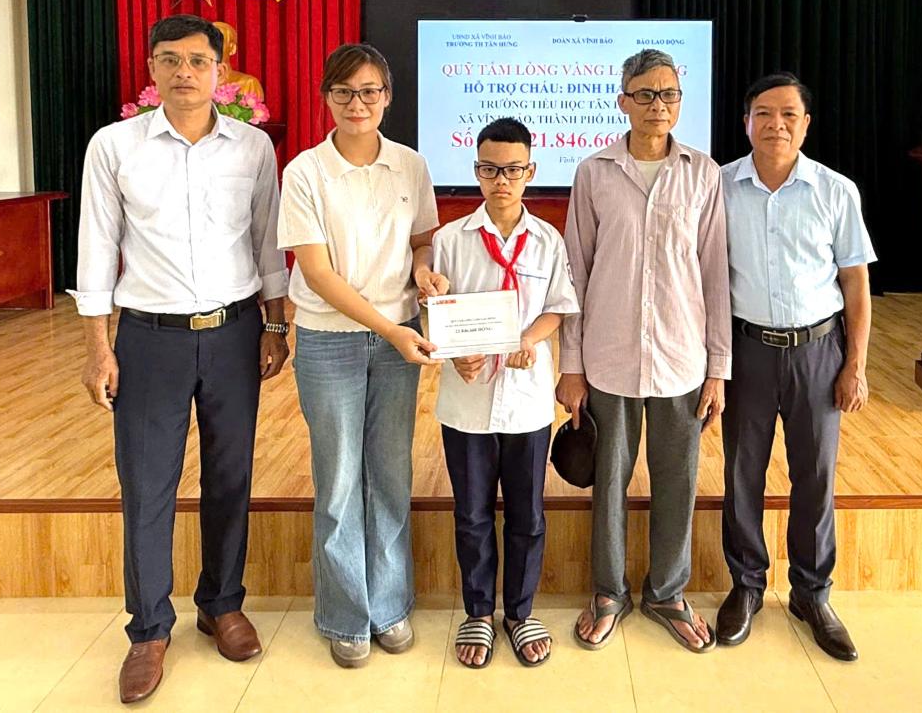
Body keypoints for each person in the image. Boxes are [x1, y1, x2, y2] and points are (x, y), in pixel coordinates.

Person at [73, 14, 290, 704]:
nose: (185, 72)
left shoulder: (253, 148)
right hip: (149, 337)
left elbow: (266, 241)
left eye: (198, 60)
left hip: (233, 331)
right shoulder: (113, 146)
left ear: (220, 70)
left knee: (231, 474)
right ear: (151, 68)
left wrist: (275, 324)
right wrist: (98, 347)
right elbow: (96, 248)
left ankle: (222, 601)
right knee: (147, 483)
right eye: (170, 60)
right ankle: (148, 629)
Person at [558, 49, 731, 654]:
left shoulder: (703, 173)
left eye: (670, 94)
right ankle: (609, 592)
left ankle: (667, 592)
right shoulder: (593, 173)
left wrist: (717, 370)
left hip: (682, 359)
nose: (659, 105)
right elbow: (574, 272)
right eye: (647, 94)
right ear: (623, 101)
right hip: (607, 357)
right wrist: (571, 366)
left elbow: (715, 276)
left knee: (677, 481)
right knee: (608, 480)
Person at [278, 43, 441, 668]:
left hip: (397, 336)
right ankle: (346, 614)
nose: (358, 103)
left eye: (370, 92)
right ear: (327, 98)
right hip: (330, 342)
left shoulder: (410, 165)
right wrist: (393, 329)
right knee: (340, 480)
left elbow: (422, 242)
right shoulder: (305, 173)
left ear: (388, 98)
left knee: (391, 475)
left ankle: (391, 604)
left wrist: (425, 276)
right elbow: (316, 274)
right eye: (345, 92)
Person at [715, 72, 875, 662]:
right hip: (747, 349)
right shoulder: (721, 186)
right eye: (763, 113)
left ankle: (812, 593)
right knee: (742, 475)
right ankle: (747, 586)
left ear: (805, 124)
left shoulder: (837, 191)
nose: (775, 124)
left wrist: (854, 364)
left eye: (788, 114)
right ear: (747, 122)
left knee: (816, 476)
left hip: (818, 351)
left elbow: (855, 282)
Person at [416, 117, 579, 668]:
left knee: (529, 514)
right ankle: (479, 612)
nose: (501, 181)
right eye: (490, 170)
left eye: (513, 170)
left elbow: (558, 306)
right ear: (476, 171)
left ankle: (522, 609)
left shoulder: (549, 240)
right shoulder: (448, 240)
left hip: (528, 400)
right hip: (467, 401)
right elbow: (434, 309)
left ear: (530, 171)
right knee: (472, 513)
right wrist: (450, 347)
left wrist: (528, 339)